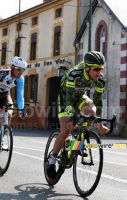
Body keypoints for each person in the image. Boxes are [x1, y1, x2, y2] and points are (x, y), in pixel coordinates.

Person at [46, 51, 110, 180]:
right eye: (96, 69)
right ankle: (52, 160)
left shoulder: (100, 80)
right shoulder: (74, 74)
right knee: (65, 130)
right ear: (87, 67)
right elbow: (69, 99)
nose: (99, 72)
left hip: (80, 97)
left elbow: (97, 102)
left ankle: (80, 141)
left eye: (101, 68)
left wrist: (100, 124)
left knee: (91, 113)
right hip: (65, 97)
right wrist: (71, 119)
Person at [0, 56, 27, 154]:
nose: (21, 72)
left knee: (9, 115)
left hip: (5, 95)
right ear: (12, 67)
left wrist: (22, 110)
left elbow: (20, 95)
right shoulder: (0, 74)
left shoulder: (20, 79)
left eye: (23, 70)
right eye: (19, 70)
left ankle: (1, 139)